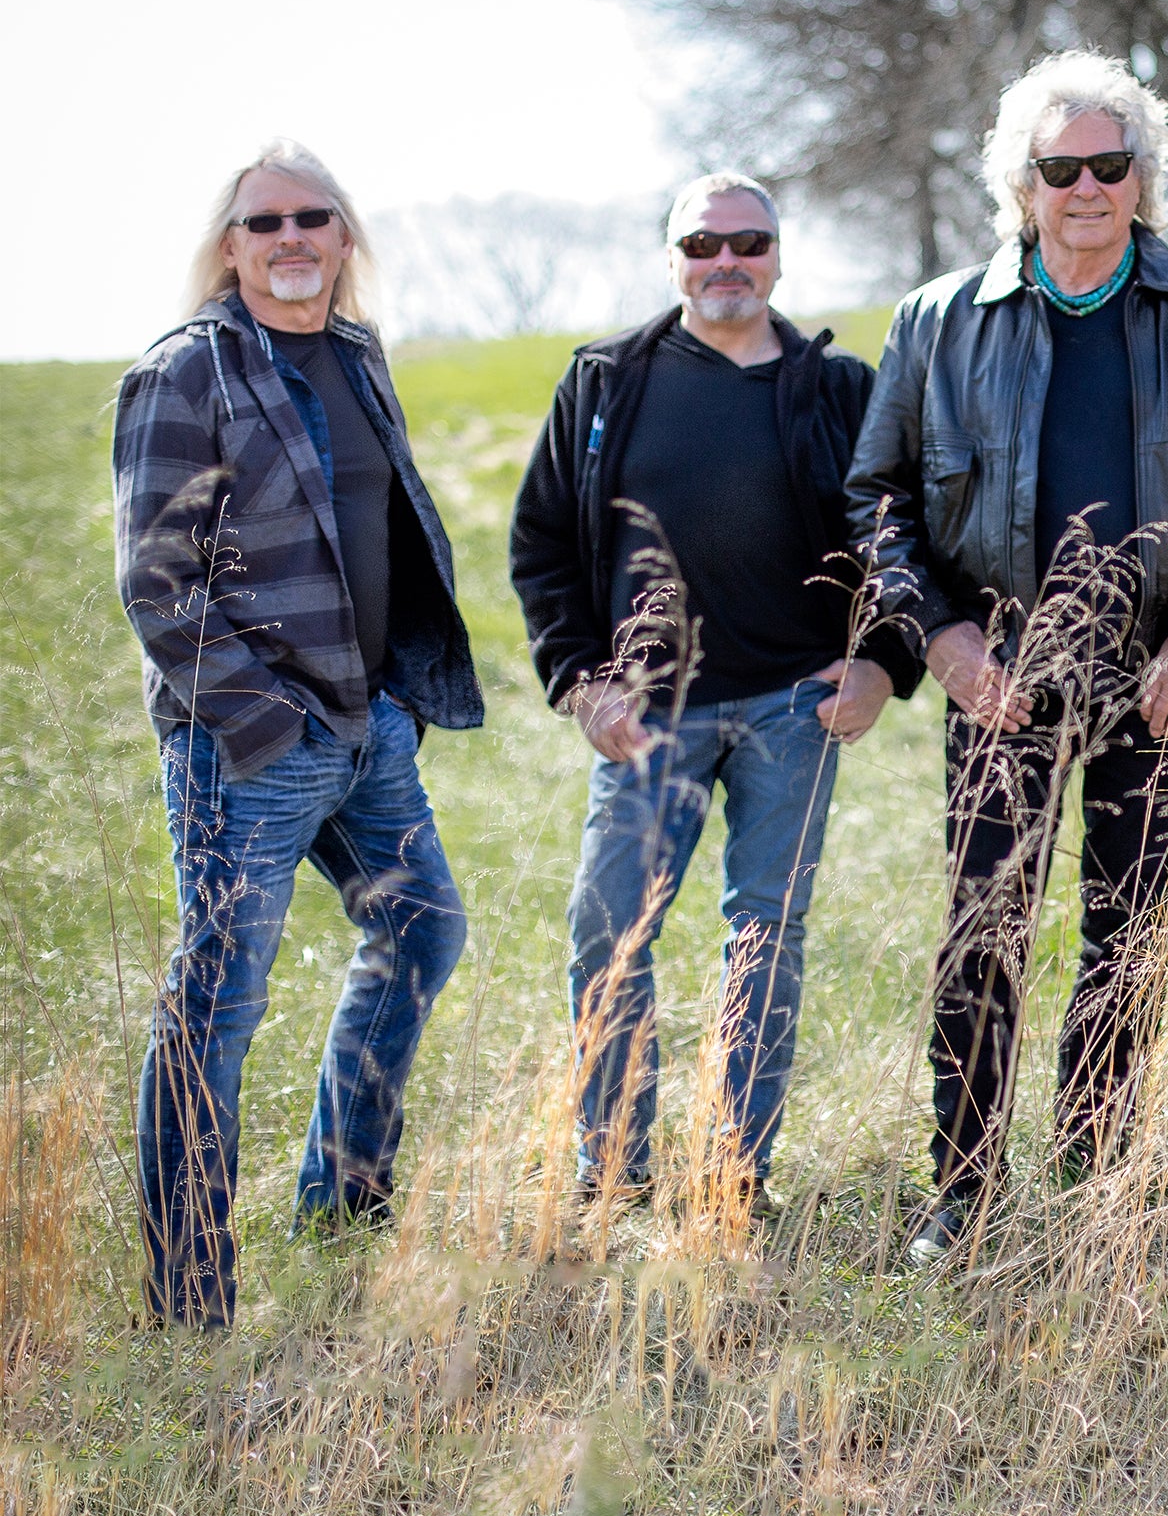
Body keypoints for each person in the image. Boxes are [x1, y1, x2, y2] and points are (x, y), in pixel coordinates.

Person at [850, 51, 1168, 1263]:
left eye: (1112, 165)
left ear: (1142, 180)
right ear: (1023, 185)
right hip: (995, 683)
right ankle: (961, 1192)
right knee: (983, 933)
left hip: (1155, 683)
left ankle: (1096, 1176)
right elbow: (876, 498)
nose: (1088, 188)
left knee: (1131, 933)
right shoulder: (938, 322)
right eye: (1062, 169)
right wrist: (939, 638)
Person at [113, 142, 484, 1326]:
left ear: (344, 237)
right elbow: (158, 584)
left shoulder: (357, 354)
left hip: (368, 723)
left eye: (312, 217)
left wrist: (392, 702)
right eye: (263, 220)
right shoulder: (186, 374)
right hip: (251, 746)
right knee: (217, 1004)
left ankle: (342, 1200)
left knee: (421, 934)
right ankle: (189, 1295)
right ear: (229, 247)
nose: (290, 237)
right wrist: (262, 721)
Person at [510, 173, 915, 1216]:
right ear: (674, 255)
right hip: (649, 718)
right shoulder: (604, 384)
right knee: (610, 930)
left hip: (793, 708)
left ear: (779, 255)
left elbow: (902, 537)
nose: (724, 260)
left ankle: (737, 1174)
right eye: (701, 242)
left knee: (762, 940)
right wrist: (579, 683)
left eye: (748, 240)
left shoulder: (839, 389)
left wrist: (883, 665)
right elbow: (542, 544)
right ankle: (612, 1175)